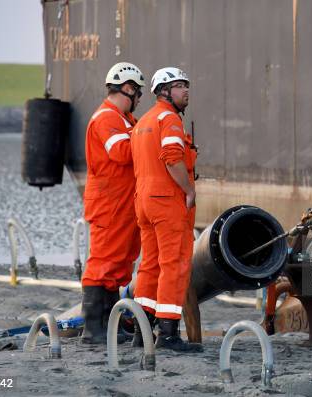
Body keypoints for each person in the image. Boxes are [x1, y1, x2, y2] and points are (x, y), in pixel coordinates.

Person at [130, 66, 202, 352]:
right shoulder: (169, 119)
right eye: (179, 85)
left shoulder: (143, 121)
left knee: (149, 265)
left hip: (144, 202)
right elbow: (172, 158)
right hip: (166, 202)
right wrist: (189, 189)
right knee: (175, 264)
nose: (186, 90)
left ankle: (142, 331)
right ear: (164, 91)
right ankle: (169, 334)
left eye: (187, 85)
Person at [80, 62, 145, 344]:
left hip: (123, 202)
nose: (139, 100)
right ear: (128, 89)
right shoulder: (107, 118)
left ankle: (109, 324)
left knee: (119, 265)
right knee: (102, 264)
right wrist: (146, 135)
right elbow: (120, 152)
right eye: (138, 93)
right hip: (109, 203)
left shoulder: (124, 119)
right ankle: (93, 329)